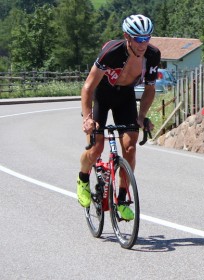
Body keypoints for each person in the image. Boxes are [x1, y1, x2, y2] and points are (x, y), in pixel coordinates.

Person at [76, 14, 160, 220]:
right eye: (138, 39)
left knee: (130, 149)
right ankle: (83, 179)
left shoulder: (152, 55)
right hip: (102, 95)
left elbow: (150, 89)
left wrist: (142, 116)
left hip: (126, 96)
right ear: (127, 37)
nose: (143, 44)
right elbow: (88, 87)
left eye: (147, 38)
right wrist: (87, 118)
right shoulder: (112, 52)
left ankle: (122, 199)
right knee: (96, 147)